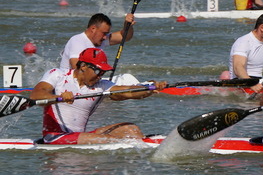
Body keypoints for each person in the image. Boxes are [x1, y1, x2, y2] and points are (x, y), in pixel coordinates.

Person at [30, 47, 166, 145]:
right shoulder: (57, 74)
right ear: (83, 66)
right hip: (55, 136)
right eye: (97, 70)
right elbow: (36, 95)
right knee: (109, 141)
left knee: (131, 130)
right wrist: (59, 97)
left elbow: (128, 91)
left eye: (103, 72)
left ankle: (148, 146)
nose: (100, 75)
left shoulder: (102, 85)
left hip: (80, 136)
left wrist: (150, 87)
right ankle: (137, 146)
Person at [59, 13, 135, 70]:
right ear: (93, 29)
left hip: (89, 80)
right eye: (104, 33)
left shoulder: (100, 39)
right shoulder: (77, 41)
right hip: (70, 84)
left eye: (107, 34)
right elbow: (77, 68)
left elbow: (125, 37)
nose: (105, 37)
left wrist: (127, 25)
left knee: (126, 77)